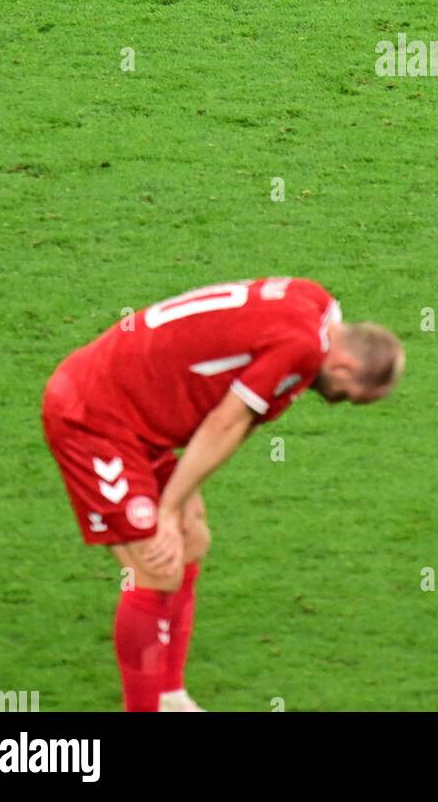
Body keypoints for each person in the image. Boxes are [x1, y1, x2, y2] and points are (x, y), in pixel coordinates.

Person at [41, 277, 404, 711]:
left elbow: (238, 415)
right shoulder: (303, 348)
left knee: (191, 541)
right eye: (348, 397)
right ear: (344, 366)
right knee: (155, 565)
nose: (336, 402)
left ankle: (170, 695)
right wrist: (169, 508)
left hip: (138, 416)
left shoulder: (317, 306)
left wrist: (186, 493)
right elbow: (225, 423)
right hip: (94, 415)